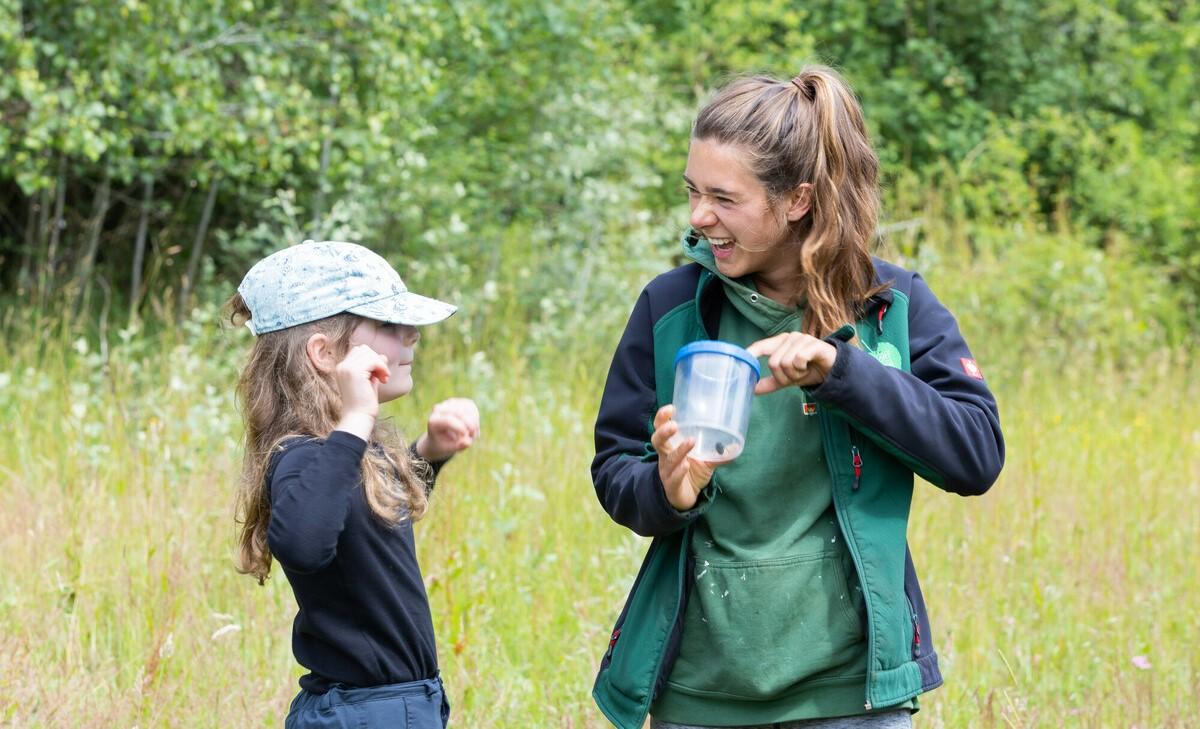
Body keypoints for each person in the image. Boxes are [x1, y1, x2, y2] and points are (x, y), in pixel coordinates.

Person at [590, 67, 1004, 729]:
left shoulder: (890, 308)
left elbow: (977, 453)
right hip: (700, 697)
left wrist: (842, 372)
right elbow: (614, 469)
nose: (699, 217)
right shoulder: (669, 308)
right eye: (692, 192)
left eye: (724, 198)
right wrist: (666, 489)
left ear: (797, 200)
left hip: (851, 697)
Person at [227, 240, 480, 728]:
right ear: (323, 353)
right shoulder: (301, 454)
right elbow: (302, 541)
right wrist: (358, 413)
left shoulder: (344, 451)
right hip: (367, 712)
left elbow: (370, 513)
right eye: (388, 324)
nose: (412, 336)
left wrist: (430, 451)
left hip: (391, 705)